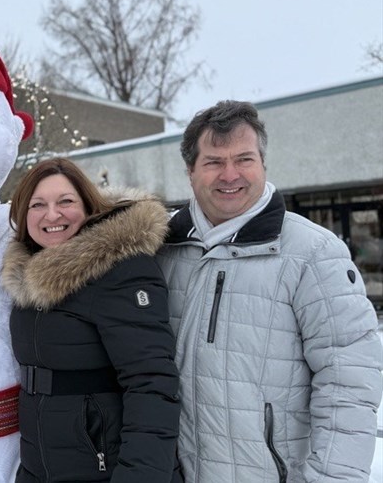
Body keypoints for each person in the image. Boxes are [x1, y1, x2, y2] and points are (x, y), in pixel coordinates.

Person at [155, 100, 383, 483]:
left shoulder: (313, 253)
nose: (230, 175)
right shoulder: (159, 249)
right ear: (190, 172)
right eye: (213, 162)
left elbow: (348, 383)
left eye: (244, 159)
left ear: (263, 163)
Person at [1, 158, 182, 482]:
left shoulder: (121, 270)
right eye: (38, 204)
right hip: (40, 469)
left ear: (88, 205)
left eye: (65, 201)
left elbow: (152, 384)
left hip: (105, 470)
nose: (52, 214)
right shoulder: (28, 279)